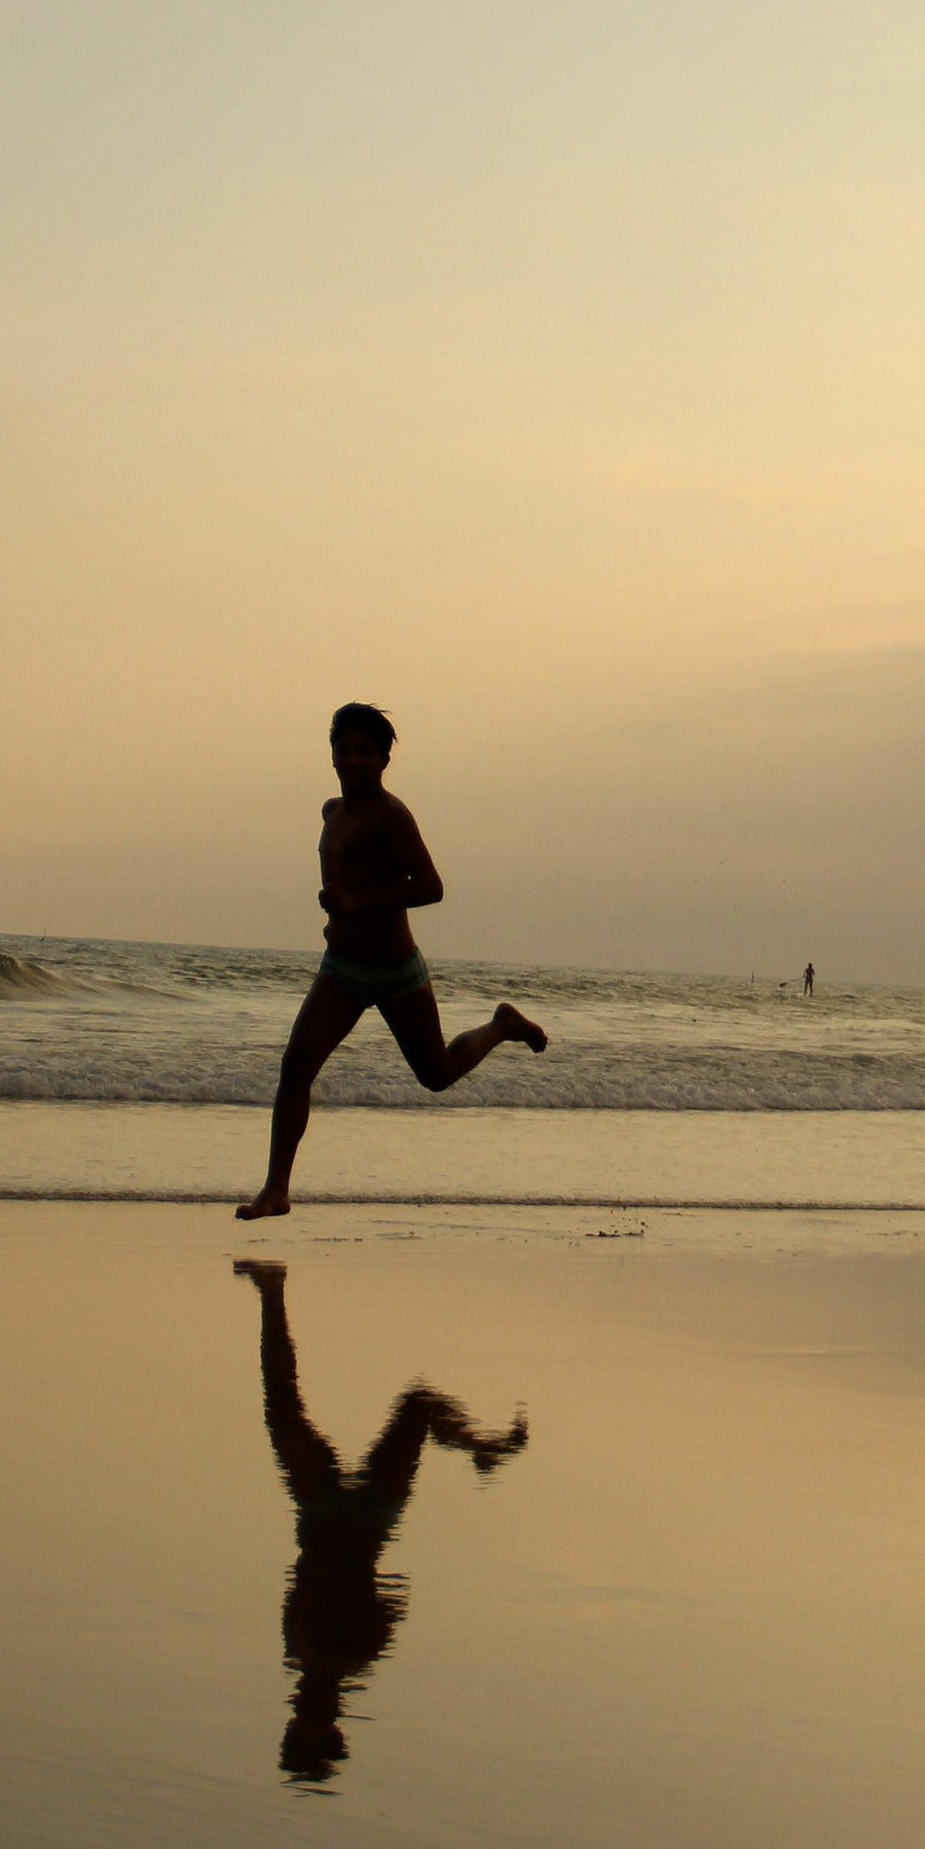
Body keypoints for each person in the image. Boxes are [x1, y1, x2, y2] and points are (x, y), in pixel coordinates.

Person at [236, 703, 544, 1221]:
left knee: (437, 1074)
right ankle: (276, 1190)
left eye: (365, 752)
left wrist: (358, 902)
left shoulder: (392, 816)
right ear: (332, 755)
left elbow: (431, 887)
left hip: (395, 971)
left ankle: (501, 1025)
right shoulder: (332, 814)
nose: (353, 760)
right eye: (344, 750)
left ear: (383, 760)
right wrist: (339, 916)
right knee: (295, 1068)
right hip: (342, 970)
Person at [232, 1258, 526, 1782]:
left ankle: (271, 1293)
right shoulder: (324, 1655)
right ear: (328, 1728)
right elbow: (371, 1597)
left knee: (301, 1405)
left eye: (294, 1731)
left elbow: (387, 1598)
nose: (298, 1720)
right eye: (305, 1732)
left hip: (347, 1518)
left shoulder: (327, 1657)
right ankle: (478, 1447)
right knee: (382, 1405)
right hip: (343, 1521)